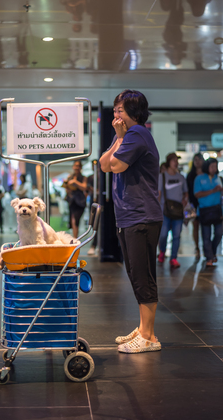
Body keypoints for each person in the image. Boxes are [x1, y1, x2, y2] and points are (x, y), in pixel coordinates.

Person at [99, 89, 163, 354]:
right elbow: (103, 164)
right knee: (136, 274)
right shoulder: (125, 137)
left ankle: (148, 337)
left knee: (142, 275)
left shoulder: (137, 134)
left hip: (142, 216)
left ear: (134, 113)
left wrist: (121, 138)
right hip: (129, 216)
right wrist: (117, 138)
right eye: (114, 110)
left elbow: (117, 166)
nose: (116, 115)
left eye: (120, 111)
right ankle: (144, 328)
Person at [158, 152, 188, 268]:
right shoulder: (162, 176)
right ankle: (162, 251)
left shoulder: (181, 177)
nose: (176, 162)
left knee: (176, 235)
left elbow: (186, 193)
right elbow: (158, 194)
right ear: (168, 162)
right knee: (163, 234)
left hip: (178, 211)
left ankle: (173, 258)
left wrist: (185, 200)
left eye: (177, 160)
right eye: (174, 160)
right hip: (164, 211)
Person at [194, 158, 223, 267]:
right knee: (206, 235)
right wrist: (212, 190)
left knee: (219, 234)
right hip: (205, 210)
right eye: (212, 166)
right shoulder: (199, 178)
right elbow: (197, 194)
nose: (214, 169)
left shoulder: (218, 178)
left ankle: (212, 252)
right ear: (207, 166)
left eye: (215, 166)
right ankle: (209, 257)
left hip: (217, 209)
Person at [186, 153, 204, 259]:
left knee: (205, 227)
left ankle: (206, 247)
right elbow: (187, 191)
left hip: (205, 203)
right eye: (195, 159)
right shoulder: (190, 175)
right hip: (193, 204)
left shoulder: (206, 173)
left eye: (199, 159)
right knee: (195, 226)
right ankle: (197, 247)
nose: (197, 161)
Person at [63, 160, 87, 238]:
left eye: (78, 166)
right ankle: (75, 237)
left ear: (80, 167)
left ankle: (75, 238)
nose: (76, 167)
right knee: (72, 220)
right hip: (71, 201)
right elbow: (67, 189)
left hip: (80, 202)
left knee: (75, 220)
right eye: (75, 166)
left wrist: (75, 182)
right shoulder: (70, 177)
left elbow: (84, 187)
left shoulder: (83, 177)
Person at [86, 160, 99, 255]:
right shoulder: (90, 177)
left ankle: (97, 246)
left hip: (101, 202)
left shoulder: (102, 176)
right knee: (93, 224)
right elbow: (87, 188)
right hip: (93, 203)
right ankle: (93, 246)